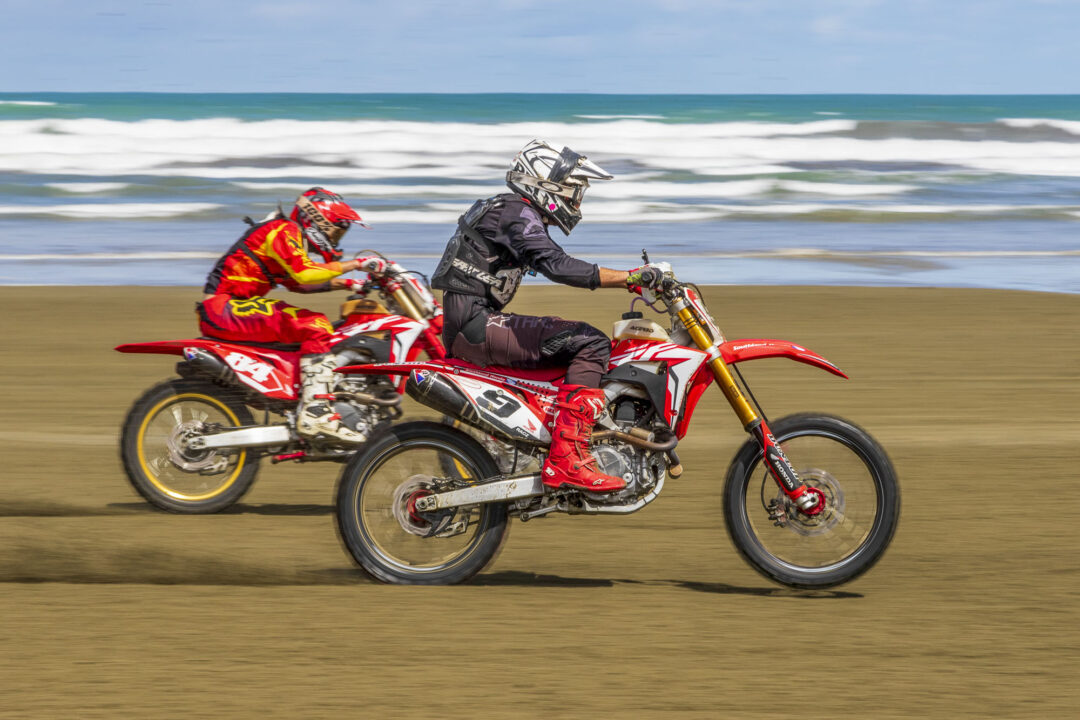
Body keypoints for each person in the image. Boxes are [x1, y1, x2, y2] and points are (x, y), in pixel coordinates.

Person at [431, 140, 663, 493]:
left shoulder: (511, 211)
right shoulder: (514, 211)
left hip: (474, 322)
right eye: (573, 190)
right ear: (544, 183)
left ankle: (564, 434)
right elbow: (557, 264)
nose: (576, 200)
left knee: (573, 345)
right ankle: (568, 457)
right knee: (591, 341)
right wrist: (630, 278)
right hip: (475, 326)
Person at [198, 187, 388, 443]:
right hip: (224, 308)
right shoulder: (284, 230)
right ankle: (315, 411)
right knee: (315, 323)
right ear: (318, 219)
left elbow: (297, 283)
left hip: (228, 308)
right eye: (338, 228)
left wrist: (349, 284)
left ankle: (306, 397)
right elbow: (303, 273)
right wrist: (356, 264)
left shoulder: (285, 233)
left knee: (309, 329)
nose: (338, 236)